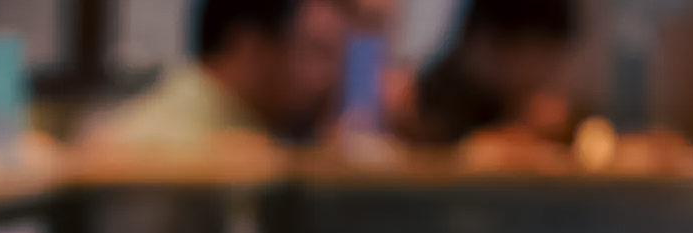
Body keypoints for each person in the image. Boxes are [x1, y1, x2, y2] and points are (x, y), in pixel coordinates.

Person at [100, 0, 351, 148]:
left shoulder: (250, 128)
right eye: (318, 52)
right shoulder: (172, 135)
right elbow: (110, 151)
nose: (333, 76)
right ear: (249, 49)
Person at [399, 0, 578, 145]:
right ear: (479, 40)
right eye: (515, 51)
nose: (535, 71)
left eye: (549, 55)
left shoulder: (519, 101)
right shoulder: (432, 96)